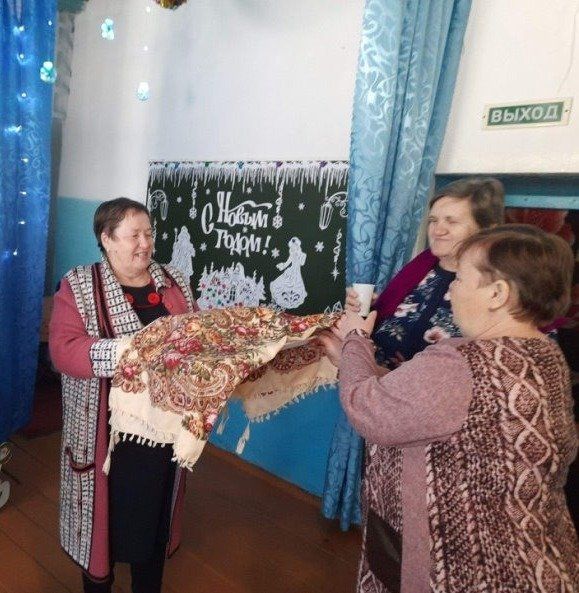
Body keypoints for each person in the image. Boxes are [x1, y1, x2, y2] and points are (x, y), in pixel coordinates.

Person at [320, 225, 579, 593]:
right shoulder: (546, 354)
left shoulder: (461, 364)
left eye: (459, 279)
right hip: (535, 559)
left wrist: (356, 338)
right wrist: (356, 362)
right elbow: (424, 400)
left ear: (497, 293)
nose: (451, 290)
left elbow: (369, 409)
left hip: (463, 570)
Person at [323, 178, 505, 528]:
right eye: (434, 220)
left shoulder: (485, 297)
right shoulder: (421, 267)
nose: (438, 229)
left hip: (427, 437)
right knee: (387, 511)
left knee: (416, 522)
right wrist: (364, 312)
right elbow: (384, 323)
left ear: (486, 230)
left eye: (452, 221)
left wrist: (353, 355)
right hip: (381, 405)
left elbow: (451, 383)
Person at [49, 198, 197, 593]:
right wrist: (132, 352)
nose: (145, 244)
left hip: (162, 435)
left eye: (149, 233)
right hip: (105, 439)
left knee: (152, 523)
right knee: (102, 528)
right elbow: (63, 350)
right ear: (107, 238)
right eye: (134, 235)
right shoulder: (80, 285)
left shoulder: (174, 281)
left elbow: (194, 336)